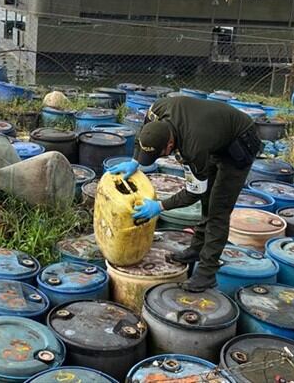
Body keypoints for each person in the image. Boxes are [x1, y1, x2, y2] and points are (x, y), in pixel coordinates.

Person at [109, 95, 262, 292]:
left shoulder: (193, 147)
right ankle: (196, 250)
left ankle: (207, 273)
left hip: (239, 140)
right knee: (207, 201)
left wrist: (160, 206)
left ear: (170, 145)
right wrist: (135, 161)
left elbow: (193, 192)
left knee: (218, 211)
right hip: (214, 132)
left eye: (159, 154)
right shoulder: (156, 110)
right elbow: (145, 133)